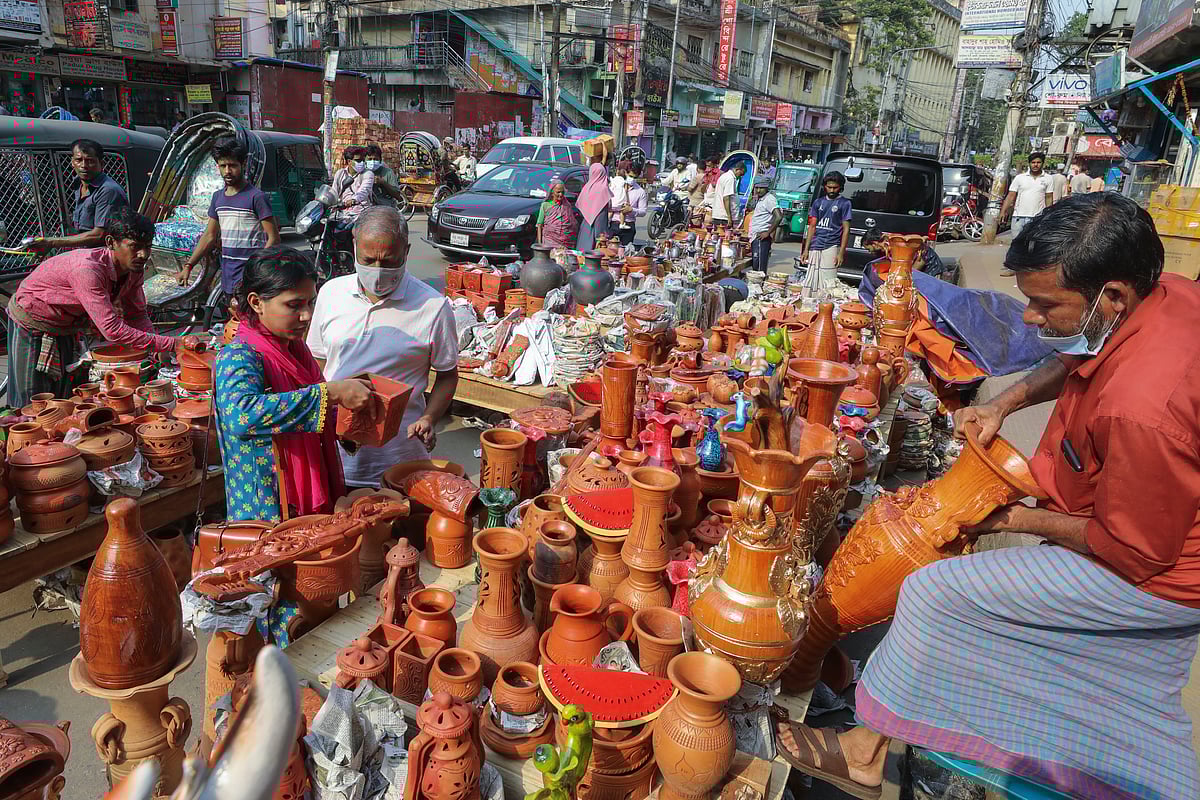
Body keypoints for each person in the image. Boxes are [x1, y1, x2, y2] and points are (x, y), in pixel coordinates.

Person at [778, 192, 1200, 800]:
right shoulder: (1159, 298)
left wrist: (1014, 517)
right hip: (1145, 523)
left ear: (1111, 296)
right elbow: (1087, 354)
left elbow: (1131, 546)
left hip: (1157, 572)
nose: (1028, 318)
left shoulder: (1144, 406)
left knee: (934, 592)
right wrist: (1006, 400)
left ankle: (864, 752)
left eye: (1044, 304)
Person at [215, 246, 377, 521]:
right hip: (267, 500)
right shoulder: (240, 354)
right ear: (256, 302)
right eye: (294, 305)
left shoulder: (293, 348)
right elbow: (241, 415)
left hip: (303, 485)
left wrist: (351, 424)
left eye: (310, 303)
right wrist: (331, 393)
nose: (307, 316)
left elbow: (313, 410)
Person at [307, 207, 458, 485]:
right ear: (354, 246)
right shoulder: (330, 293)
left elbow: (447, 374)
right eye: (368, 260)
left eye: (389, 262)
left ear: (406, 251)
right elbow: (317, 363)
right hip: (336, 454)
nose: (377, 271)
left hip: (399, 458)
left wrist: (429, 417)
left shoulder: (433, 306)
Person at [7, 208, 194, 407]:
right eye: (135, 246)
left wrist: (158, 348)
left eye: (148, 247)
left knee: (64, 396)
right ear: (111, 243)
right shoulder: (88, 270)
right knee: (32, 402)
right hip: (31, 320)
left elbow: (136, 313)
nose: (143, 254)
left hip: (66, 324)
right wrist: (170, 343)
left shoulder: (133, 267)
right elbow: (112, 330)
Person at [180, 136, 280, 297]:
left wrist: (257, 267)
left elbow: (274, 239)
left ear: (243, 164)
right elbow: (209, 236)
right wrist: (188, 266)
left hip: (253, 280)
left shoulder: (256, 197)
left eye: (232, 165)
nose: (227, 171)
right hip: (228, 278)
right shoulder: (218, 198)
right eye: (223, 166)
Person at [28, 139, 128, 252]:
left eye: (90, 161)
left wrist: (52, 242)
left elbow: (99, 235)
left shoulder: (108, 190)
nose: (84, 165)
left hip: (104, 255)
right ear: (72, 162)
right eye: (79, 160)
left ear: (101, 163)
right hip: (84, 252)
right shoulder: (78, 185)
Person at [799, 171, 852, 289]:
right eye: (829, 187)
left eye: (835, 188)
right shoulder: (818, 202)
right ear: (825, 187)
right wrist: (806, 250)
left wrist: (841, 253)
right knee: (811, 280)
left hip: (832, 246)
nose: (832, 190)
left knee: (828, 282)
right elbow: (812, 227)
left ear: (841, 188)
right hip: (815, 245)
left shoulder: (845, 203)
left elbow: (846, 229)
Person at [999, 151, 1053, 238]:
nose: (1036, 165)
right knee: (1016, 245)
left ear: (1042, 164)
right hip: (1018, 217)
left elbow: (1049, 197)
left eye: (1038, 162)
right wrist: (1003, 211)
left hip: (1037, 218)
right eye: (1033, 162)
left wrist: (1049, 214)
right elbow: (1010, 196)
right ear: (1029, 164)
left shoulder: (1048, 179)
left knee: (1032, 246)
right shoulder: (1020, 178)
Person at [862, 227, 945, 279]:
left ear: (874, 244)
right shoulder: (886, 250)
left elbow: (920, 260)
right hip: (918, 267)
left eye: (869, 249)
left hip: (931, 267)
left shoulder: (896, 242)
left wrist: (904, 278)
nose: (870, 252)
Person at [332, 145, 375, 225]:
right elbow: (334, 192)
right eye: (358, 160)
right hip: (341, 213)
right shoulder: (340, 173)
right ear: (349, 161)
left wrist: (353, 200)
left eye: (363, 160)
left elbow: (364, 191)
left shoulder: (368, 174)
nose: (361, 163)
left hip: (361, 213)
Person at [747, 176, 780, 272]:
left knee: (759, 269)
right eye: (756, 188)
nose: (758, 190)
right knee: (756, 266)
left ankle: (759, 285)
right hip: (756, 237)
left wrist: (768, 232)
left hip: (762, 238)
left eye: (761, 188)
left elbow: (778, 216)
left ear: (766, 188)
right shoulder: (761, 199)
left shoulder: (769, 199)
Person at [575, 162, 610, 251]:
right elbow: (601, 218)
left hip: (585, 228)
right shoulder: (603, 189)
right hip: (597, 231)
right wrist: (601, 236)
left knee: (582, 256)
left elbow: (580, 209)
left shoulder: (586, 188)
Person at [610, 167, 648, 245]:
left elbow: (643, 211)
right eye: (630, 176)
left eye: (635, 177)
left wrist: (632, 210)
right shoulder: (615, 186)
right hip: (613, 224)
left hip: (628, 226)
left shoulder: (640, 192)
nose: (632, 179)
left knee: (626, 252)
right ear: (625, 173)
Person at [537, 180, 578, 248]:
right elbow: (539, 225)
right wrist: (539, 243)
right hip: (549, 242)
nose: (561, 194)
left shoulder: (567, 206)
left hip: (565, 243)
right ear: (552, 192)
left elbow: (572, 224)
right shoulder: (545, 205)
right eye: (558, 192)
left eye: (562, 192)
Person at [364, 144, 406, 208]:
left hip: (384, 207)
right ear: (365, 160)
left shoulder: (387, 172)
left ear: (380, 160)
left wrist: (383, 182)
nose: (372, 162)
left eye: (375, 159)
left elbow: (397, 195)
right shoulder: (362, 172)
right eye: (370, 159)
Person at [712, 161, 745, 226]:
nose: (741, 176)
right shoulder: (730, 178)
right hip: (724, 216)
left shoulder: (725, 176)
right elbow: (726, 198)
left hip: (720, 214)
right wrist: (729, 217)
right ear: (737, 169)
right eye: (741, 174)